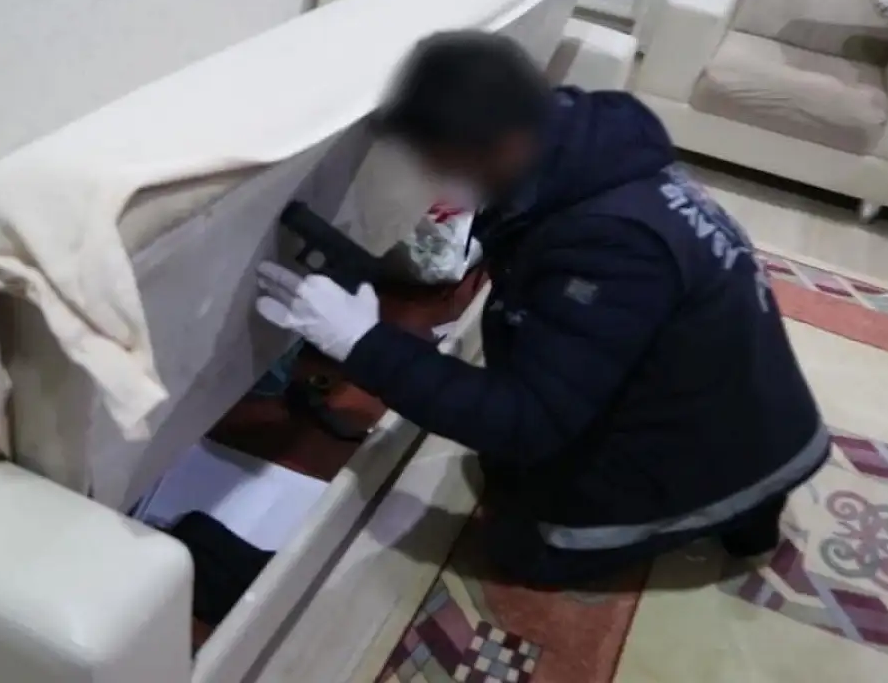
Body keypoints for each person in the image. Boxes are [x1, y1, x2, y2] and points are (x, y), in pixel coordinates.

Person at [253, 31, 829, 588]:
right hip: (755, 411)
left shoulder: (612, 250)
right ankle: (746, 504)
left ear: (501, 146)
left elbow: (525, 423)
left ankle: (738, 504)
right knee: (501, 462)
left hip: (735, 449)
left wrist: (364, 345)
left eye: (441, 164)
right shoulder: (591, 149)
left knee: (518, 543)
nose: (436, 181)